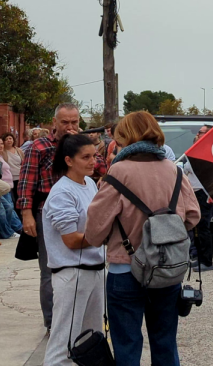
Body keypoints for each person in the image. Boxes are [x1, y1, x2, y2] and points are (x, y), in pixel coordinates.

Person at [85, 111, 200, 366]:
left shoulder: (118, 172)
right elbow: (193, 216)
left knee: (127, 347)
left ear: (124, 137)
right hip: (166, 269)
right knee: (165, 344)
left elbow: (94, 230)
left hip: (125, 269)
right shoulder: (174, 170)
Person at [17, 104, 106, 330]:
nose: (70, 126)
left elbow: (102, 169)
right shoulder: (40, 146)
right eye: (65, 122)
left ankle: (83, 319)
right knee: (51, 268)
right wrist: (26, 214)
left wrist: (85, 148)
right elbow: (27, 181)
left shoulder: (84, 145)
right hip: (47, 207)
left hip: (81, 206)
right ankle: (52, 321)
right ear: (54, 123)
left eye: (74, 122)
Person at [42, 134, 107, 366]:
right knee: (64, 344)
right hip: (73, 273)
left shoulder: (89, 183)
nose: (92, 161)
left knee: (90, 341)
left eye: (94, 156)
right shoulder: (62, 192)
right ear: (69, 160)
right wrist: (104, 235)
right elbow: (71, 240)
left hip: (95, 270)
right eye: (86, 157)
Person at [181, 125, 213, 272]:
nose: (198, 134)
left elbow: (211, 174)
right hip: (194, 191)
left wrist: (211, 194)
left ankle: (207, 262)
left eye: (201, 132)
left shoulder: (209, 152)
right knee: (196, 228)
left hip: (203, 192)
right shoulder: (196, 150)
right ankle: (200, 258)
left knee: (203, 228)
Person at [0, 137, 23, 239]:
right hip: (0, 187)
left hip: (8, 187)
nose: (1, 146)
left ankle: (16, 228)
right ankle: (8, 231)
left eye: (1, 144)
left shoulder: (0, 156)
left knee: (10, 208)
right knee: (6, 209)